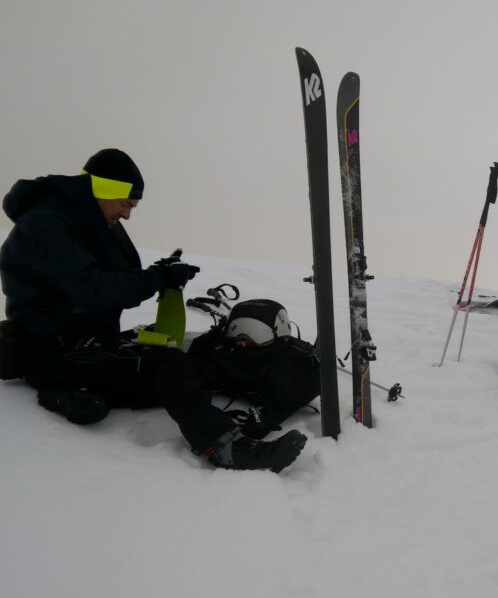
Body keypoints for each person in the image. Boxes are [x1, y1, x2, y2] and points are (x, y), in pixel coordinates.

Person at [0, 148, 306, 472]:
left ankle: (249, 407)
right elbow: (92, 291)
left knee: (187, 359)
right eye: (126, 204)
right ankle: (225, 447)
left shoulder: (89, 220)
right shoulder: (46, 224)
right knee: (168, 366)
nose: (128, 214)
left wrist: (161, 274)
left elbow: (113, 280)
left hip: (88, 342)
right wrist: (157, 278)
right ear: (105, 189)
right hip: (53, 352)